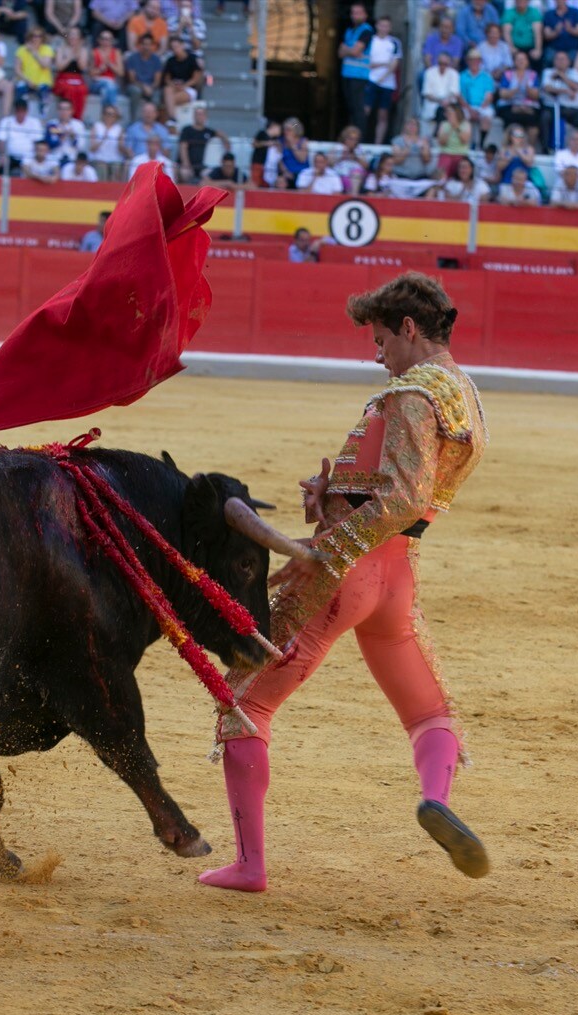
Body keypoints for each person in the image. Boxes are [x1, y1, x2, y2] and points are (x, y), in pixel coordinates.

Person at [199, 273, 490, 894]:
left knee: (245, 703)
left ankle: (249, 865)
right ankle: (435, 799)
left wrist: (322, 548)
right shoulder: (463, 394)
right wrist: (330, 495)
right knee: (427, 710)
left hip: (346, 575)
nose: (376, 353)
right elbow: (406, 497)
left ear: (409, 330)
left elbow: (402, 496)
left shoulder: (411, 393)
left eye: (381, 338)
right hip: (397, 574)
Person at [366, 15, 403, 145]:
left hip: (387, 83)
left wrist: (382, 75)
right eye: (382, 25)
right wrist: (383, 64)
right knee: (365, 111)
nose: (384, 28)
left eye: (387, 26)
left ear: (390, 27)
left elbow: (394, 64)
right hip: (370, 80)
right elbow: (366, 63)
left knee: (383, 115)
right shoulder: (370, 41)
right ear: (377, 25)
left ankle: (378, 143)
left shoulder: (394, 43)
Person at [338, 3, 373, 132]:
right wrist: (350, 50)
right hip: (347, 74)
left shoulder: (366, 30)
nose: (355, 15)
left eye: (358, 12)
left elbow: (355, 51)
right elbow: (340, 53)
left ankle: (360, 138)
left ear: (365, 15)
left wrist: (348, 50)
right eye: (353, 12)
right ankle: (351, 135)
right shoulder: (349, 31)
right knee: (351, 108)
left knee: (358, 109)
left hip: (359, 75)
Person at [0, 98, 47, 173]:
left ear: (27, 111)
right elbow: (1, 141)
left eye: (23, 111)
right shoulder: (6, 121)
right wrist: (2, 155)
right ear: (14, 111)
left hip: (29, 157)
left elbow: (39, 143)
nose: (20, 114)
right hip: (10, 157)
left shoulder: (34, 122)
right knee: (0, 166)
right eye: (18, 111)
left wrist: (36, 157)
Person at [124, 31, 165, 112]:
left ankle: (153, 122)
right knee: (136, 91)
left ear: (152, 46)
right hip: (136, 86)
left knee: (157, 94)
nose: (146, 47)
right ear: (140, 45)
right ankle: (134, 121)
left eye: (149, 44)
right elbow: (132, 80)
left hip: (151, 87)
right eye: (144, 44)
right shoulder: (132, 58)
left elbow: (157, 81)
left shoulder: (156, 60)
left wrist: (150, 88)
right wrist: (143, 87)